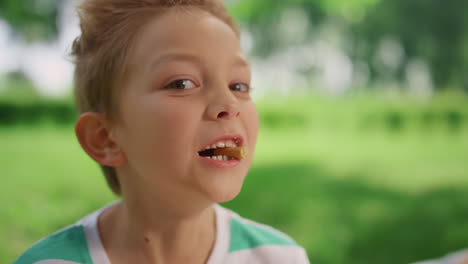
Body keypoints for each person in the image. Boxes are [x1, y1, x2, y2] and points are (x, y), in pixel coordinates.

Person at [13, 0, 310, 263]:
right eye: (182, 83)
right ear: (104, 138)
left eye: (239, 86)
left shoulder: (281, 257)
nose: (229, 104)